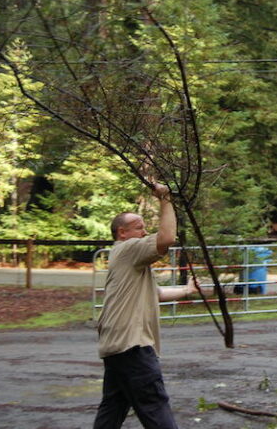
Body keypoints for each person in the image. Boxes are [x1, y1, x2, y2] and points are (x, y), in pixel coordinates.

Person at [94, 183, 196, 429]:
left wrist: (187, 291)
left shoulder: (126, 261)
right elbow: (167, 238)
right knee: (154, 404)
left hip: (116, 346)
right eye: (139, 228)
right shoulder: (129, 250)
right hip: (133, 345)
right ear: (122, 233)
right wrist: (165, 198)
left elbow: (155, 293)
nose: (144, 232)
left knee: (113, 408)